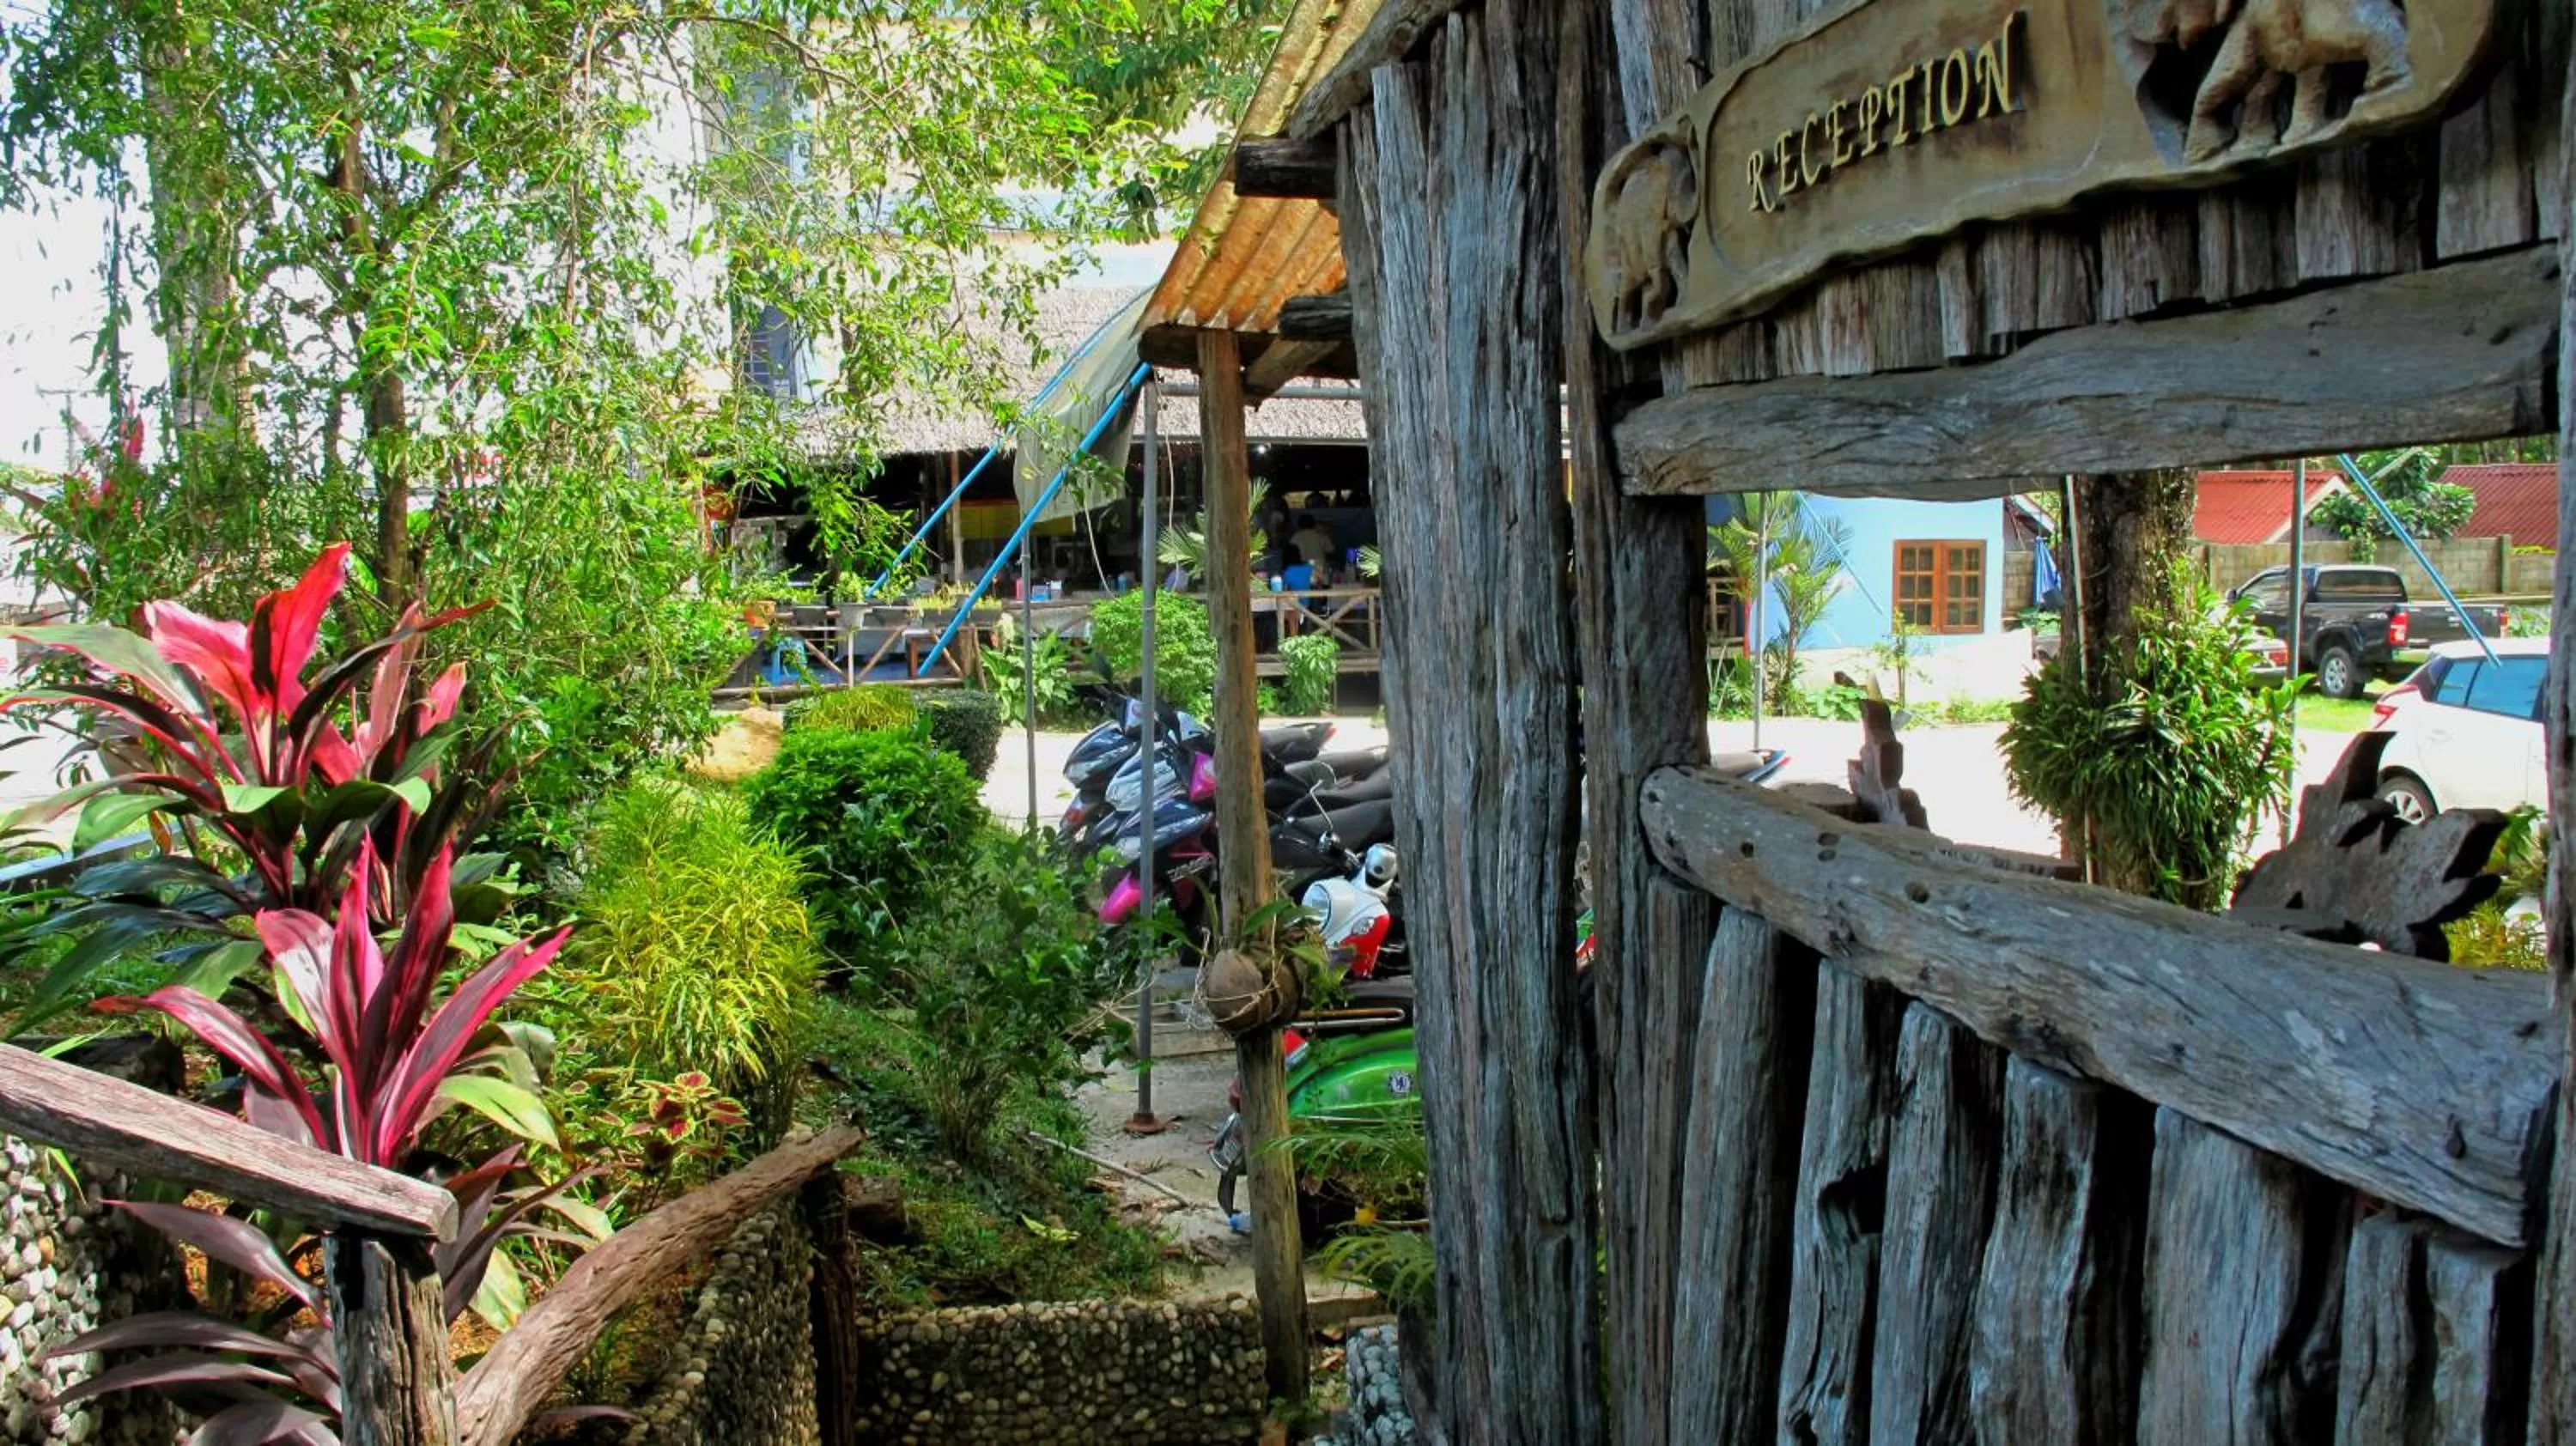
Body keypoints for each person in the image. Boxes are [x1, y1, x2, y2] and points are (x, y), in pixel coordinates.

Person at [1289, 513, 1338, 577]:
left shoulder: (1294, 538)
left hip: (1301, 571)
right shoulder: (1321, 536)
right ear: (1313, 524)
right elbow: (1332, 551)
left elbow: (1290, 556)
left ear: (1299, 525)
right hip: (1319, 571)